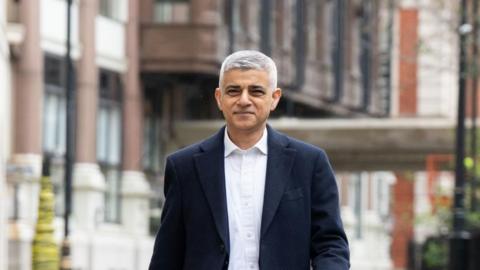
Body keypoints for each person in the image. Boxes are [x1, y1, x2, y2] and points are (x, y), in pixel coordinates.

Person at [148, 50, 350, 270]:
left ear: (274, 98)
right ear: (219, 98)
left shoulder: (310, 163)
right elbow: (167, 255)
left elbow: (330, 244)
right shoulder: (184, 167)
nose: (244, 100)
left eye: (256, 91)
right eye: (234, 91)